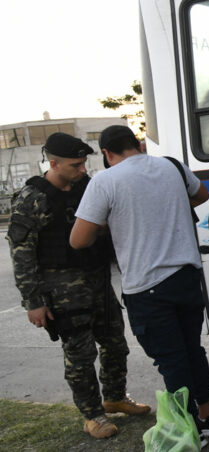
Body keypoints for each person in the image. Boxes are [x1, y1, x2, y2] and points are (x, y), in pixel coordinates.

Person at [69, 125, 209, 447]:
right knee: (192, 350)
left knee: (172, 360)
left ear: (107, 154)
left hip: (148, 286)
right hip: (186, 276)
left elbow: (78, 239)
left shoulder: (105, 181)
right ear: (138, 144)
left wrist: (114, 220)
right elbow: (202, 195)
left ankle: (188, 428)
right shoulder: (171, 166)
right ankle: (208, 418)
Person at [6, 132, 150, 439]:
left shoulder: (89, 187)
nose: (83, 169)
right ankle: (92, 414)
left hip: (98, 281)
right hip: (62, 289)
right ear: (54, 163)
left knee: (115, 344)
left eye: (84, 163)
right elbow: (22, 254)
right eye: (76, 165)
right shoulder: (32, 198)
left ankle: (114, 397)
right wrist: (33, 301)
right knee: (80, 355)